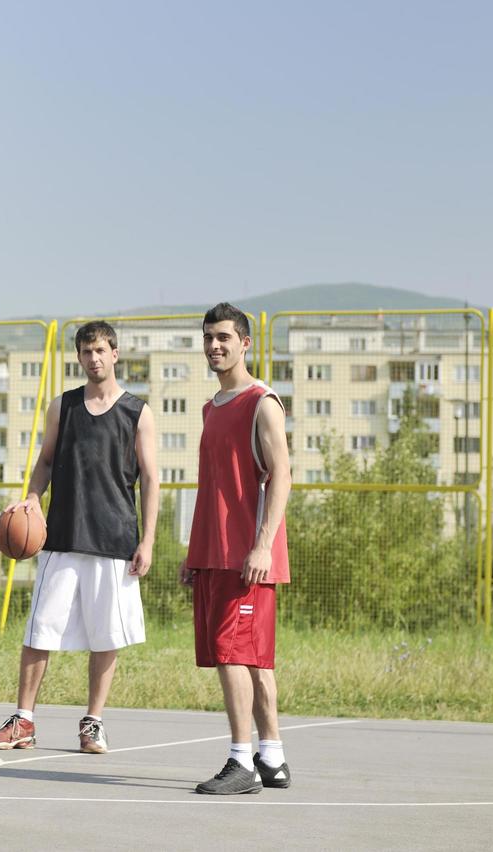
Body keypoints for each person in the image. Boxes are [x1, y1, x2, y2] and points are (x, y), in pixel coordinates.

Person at [0, 321, 159, 755]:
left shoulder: (138, 412)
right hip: (61, 537)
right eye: (86, 352)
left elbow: (152, 480)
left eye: (100, 350)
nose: (93, 358)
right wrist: (32, 499)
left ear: (115, 353)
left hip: (115, 539)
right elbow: (44, 462)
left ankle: (93, 723)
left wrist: (148, 540)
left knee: (107, 636)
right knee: (40, 630)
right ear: (78, 357)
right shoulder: (63, 406)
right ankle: (24, 720)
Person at [181, 302, 292, 795]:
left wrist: (262, 546)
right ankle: (273, 756)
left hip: (248, 554)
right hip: (214, 551)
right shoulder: (211, 407)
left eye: (224, 337)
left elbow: (283, 476)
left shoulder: (262, 402)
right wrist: (194, 552)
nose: (214, 346)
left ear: (245, 342)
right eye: (208, 337)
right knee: (252, 658)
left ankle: (240, 761)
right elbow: (214, 487)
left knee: (233, 653)